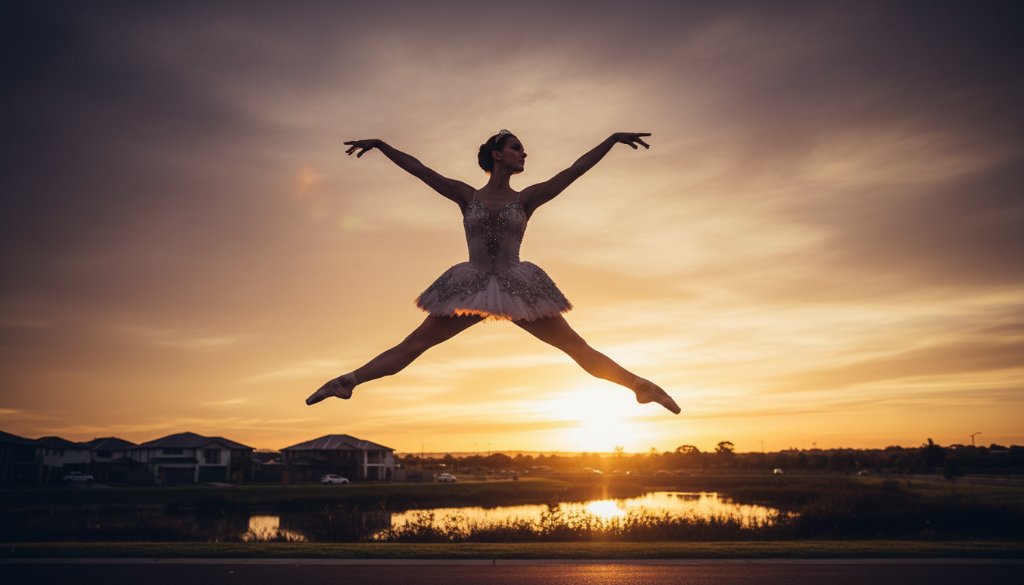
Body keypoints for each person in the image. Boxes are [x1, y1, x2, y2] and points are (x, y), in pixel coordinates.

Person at [305, 130, 680, 414]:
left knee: (574, 346)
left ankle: (639, 385)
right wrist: (383, 145)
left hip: (518, 286)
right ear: (497, 154)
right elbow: (419, 170)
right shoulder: (467, 196)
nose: (524, 153)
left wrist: (611, 140)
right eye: (517, 148)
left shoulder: (527, 197)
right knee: (414, 345)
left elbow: (574, 170)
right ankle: (348, 381)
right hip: (470, 286)